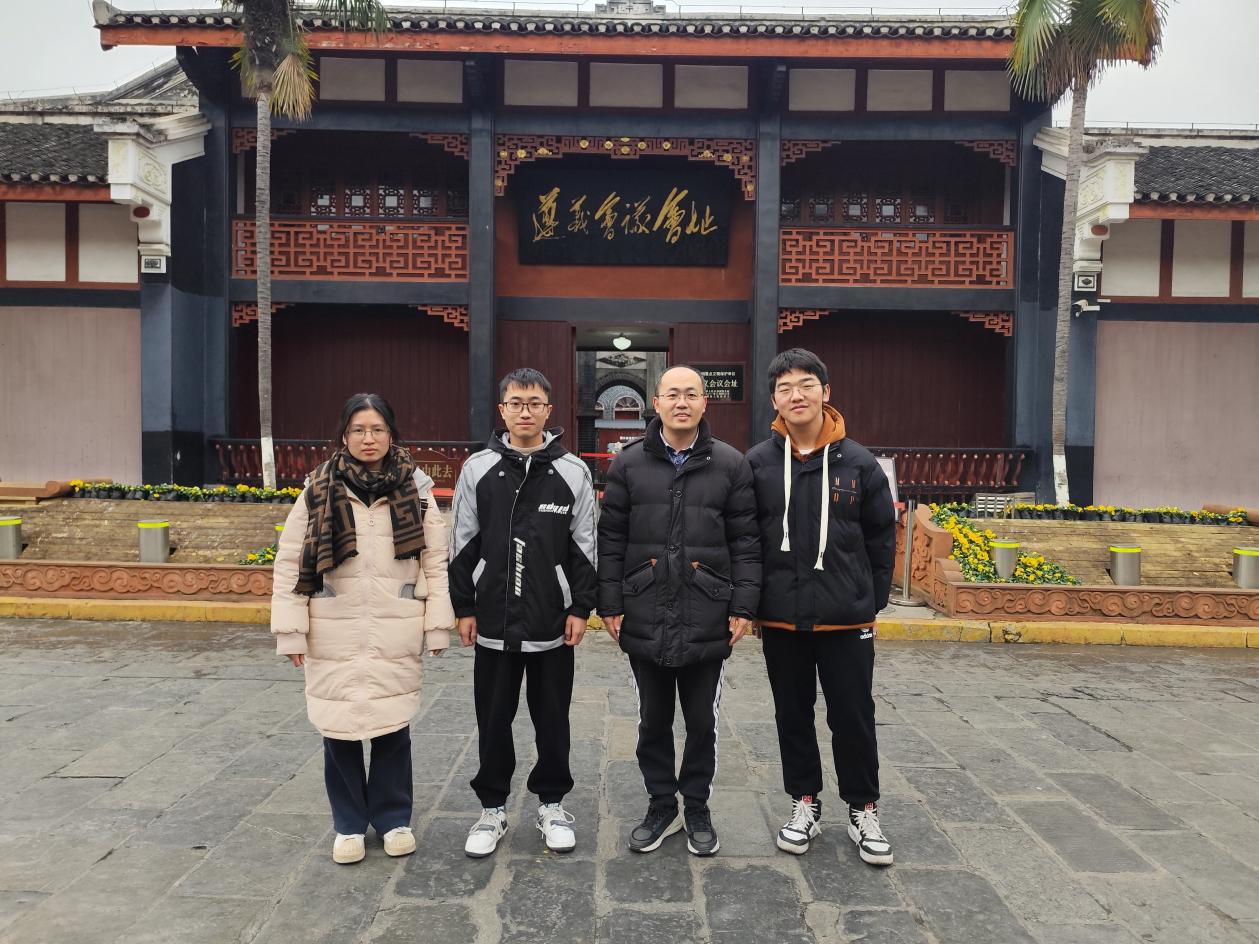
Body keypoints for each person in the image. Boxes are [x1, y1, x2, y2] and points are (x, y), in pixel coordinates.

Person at [271, 393, 454, 865]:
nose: (367, 438)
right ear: (344, 435)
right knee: (339, 729)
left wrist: (437, 624)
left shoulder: (416, 488)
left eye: (377, 429)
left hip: (395, 621)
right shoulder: (318, 487)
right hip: (332, 623)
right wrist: (291, 632)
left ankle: (394, 819)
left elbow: (435, 561)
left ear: (391, 434)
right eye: (358, 430)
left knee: (393, 726)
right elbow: (290, 561)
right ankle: (349, 823)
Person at [597, 366, 760, 857]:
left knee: (702, 721)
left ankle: (697, 805)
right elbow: (611, 539)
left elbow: (746, 541)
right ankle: (661, 804)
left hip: (706, 609)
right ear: (657, 403)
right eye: (673, 394)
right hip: (645, 605)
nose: (682, 402)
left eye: (691, 394)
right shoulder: (628, 464)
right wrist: (610, 601)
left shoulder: (731, 464)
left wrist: (743, 604)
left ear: (704, 402)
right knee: (652, 719)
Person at [745, 348, 896, 865]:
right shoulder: (759, 464)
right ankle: (804, 801)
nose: (797, 395)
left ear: (825, 392)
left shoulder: (859, 463)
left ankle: (863, 807)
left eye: (806, 384)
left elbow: (881, 538)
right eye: (785, 388)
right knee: (792, 714)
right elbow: (747, 539)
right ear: (774, 400)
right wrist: (752, 603)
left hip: (846, 618)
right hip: (781, 615)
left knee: (853, 716)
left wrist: (869, 601)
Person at [448, 368, 597, 858]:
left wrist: (580, 606)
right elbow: (462, 540)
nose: (525, 411)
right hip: (492, 618)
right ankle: (492, 808)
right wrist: (464, 605)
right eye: (516, 403)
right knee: (493, 718)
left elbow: (584, 546)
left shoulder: (572, 471)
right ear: (503, 410)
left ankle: (551, 804)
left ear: (549, 410)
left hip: (551, 620)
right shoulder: (478, 469)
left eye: (535, 403)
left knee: (552, 718)